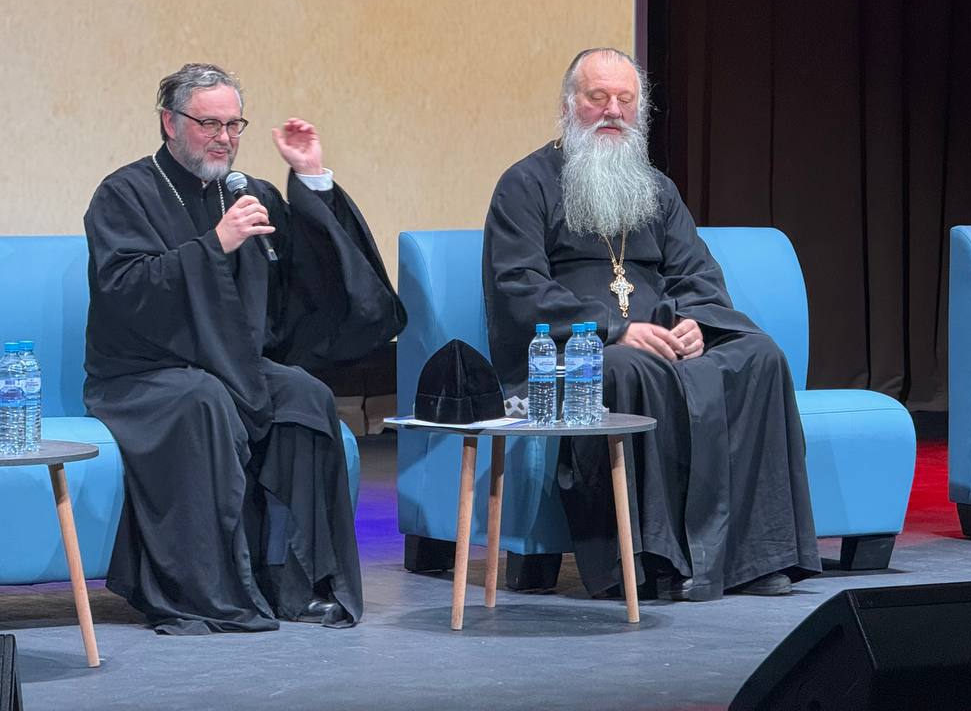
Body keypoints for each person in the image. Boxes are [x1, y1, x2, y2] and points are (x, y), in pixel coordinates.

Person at [483, 47, 820, 601]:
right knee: (622, 367)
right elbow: (518, 285)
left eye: (625, 99)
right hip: (574, 352)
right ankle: (651, 561)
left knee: (759, 357)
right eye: (598, 98)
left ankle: (754, 558)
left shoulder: (657, 190)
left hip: (662, 344)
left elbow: (697, 273)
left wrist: (696, 323)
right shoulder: (525, 184)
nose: (613, 111)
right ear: (568, 107)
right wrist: (612, 330)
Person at [83, 63, 405, 633]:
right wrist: (216, 244)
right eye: (209, 124)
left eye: (234, 125)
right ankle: (213, 593)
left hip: (233, 364)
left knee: (305, 396)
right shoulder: (124, 193)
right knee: (204, 402)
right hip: (141, 376)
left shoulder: (250, 193)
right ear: (170, 122)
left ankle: (299, 586)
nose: (225, 138)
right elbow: (124, 290)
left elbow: (311, 281)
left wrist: (311, 178)